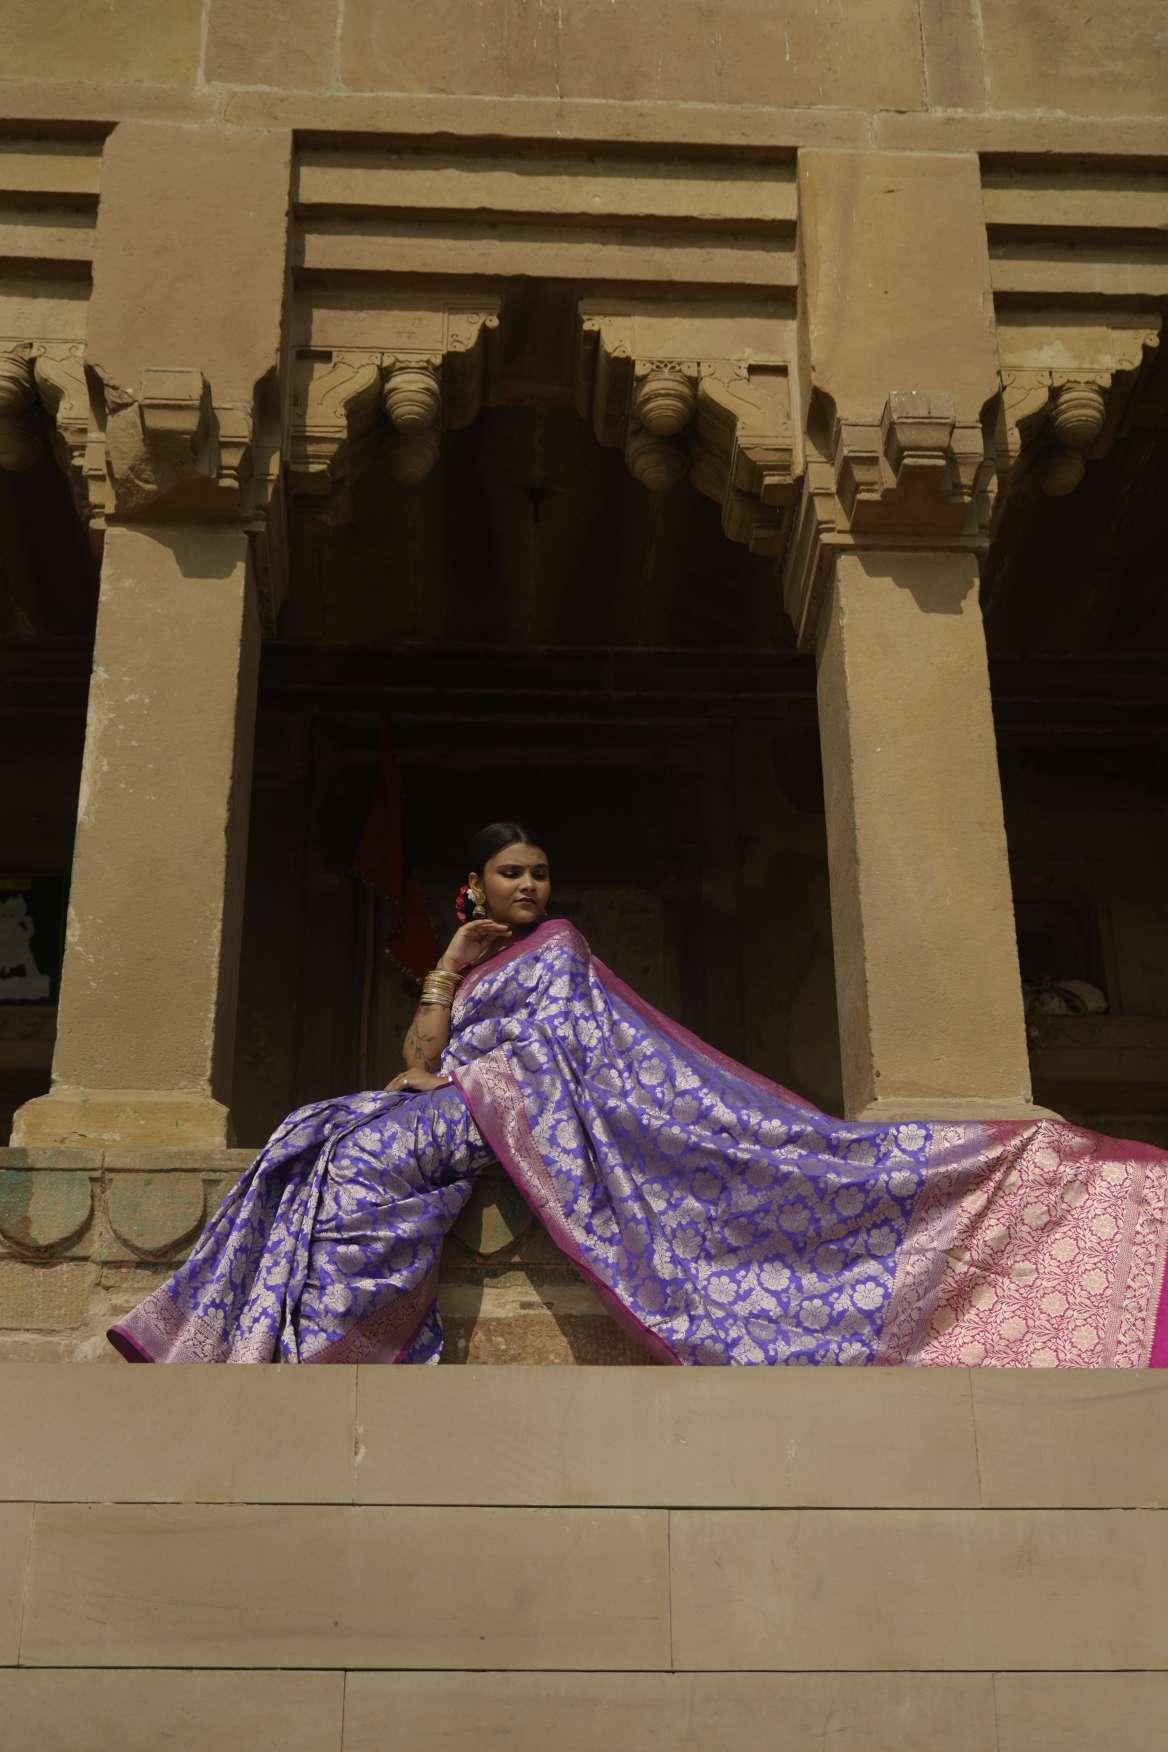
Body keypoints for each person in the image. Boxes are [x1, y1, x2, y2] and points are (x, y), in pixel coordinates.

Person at [108, 821, 1168, 1367]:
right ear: (473, 885)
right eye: (511, 874)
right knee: (318, 1132)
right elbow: (420, 1049)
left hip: (507, 1117)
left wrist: (451, 1077)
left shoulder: (557, 949)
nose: (530, 888)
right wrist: (446, 968)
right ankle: (278, 1339)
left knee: (355, 1143)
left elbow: (555, 1059)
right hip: (472, 1109)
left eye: (538, 874)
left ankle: (327, 1345)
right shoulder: (477, 955)